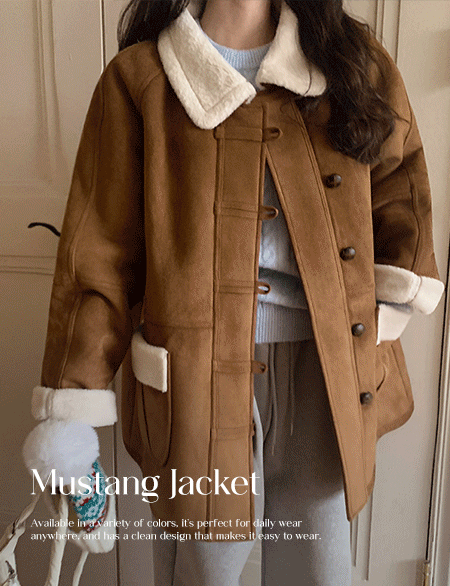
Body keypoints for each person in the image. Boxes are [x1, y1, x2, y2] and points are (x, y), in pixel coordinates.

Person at [22, 0, 445, 585]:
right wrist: (72, 403)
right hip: (194, 380)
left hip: (325, 373)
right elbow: (101, 250)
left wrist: (392, 297)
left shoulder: (352, 64)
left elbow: (402, 185)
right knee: (204, 571)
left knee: (316, 570)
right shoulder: (142, 79)